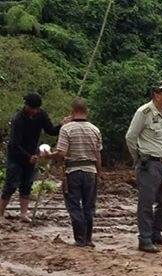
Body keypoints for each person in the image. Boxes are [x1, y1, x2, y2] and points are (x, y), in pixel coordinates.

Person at [125, 81, 162, 253]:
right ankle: (145, 238)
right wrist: (138, 158)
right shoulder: (144, 112)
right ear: (157, 95)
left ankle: (156, 232)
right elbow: (131, 137)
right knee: (146, 202)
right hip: (149, 162)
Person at [45, 98, 102, 247]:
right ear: (86, 111)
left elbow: (61, 153)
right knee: (89, 206)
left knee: (74, 206)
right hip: (91, 171)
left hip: (73, 171)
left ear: (72, 111)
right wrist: (99, 174)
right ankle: (88, 239)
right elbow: (98, 155)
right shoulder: (95, 129)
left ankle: (80, 239)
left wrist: (49, 155)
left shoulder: (66, 129)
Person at [0, 93, 65, 222]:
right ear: (27, 106)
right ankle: (0, 213)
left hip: (32, 154)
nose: (34, 111)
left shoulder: (41, 115)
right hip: (16, 156)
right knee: (11, 184)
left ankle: (23, 214)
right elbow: (14, 144)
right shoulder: (18, 119)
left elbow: (50, 130)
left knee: (27, 184)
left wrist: (62, 124)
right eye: (32, 108)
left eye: (37, 109)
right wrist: (27, 156)